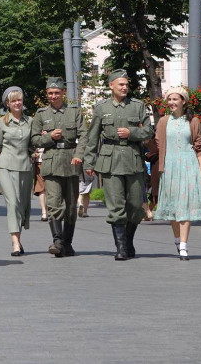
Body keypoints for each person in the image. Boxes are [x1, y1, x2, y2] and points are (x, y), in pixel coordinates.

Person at [84, 69, 153, 261]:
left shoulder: (138, 106)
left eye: (126, 84)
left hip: (133, 159)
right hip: (110, 160)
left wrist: (131, 132)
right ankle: (121, 247)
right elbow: (92, 138)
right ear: (111, 86)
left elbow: (148, 131)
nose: (124, 87)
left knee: (135, 206)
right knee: (115, 207)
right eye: (121, 84)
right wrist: (88, 162)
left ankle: (129, 242)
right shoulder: (101, 108)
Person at [30, 77, 88, 257]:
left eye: (56, 93)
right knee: (54, 203)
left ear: (63, 92)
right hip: (52, 161)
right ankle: (57, 241)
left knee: (71, 206)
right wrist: (49, 138)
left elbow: (84, 135)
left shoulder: (74, 113)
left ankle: (67, 243)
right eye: (50, 93)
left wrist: (79, 155)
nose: (53, 96)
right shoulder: (41, 114)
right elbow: (33, 140)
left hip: (71, 161)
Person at [153, 87, 201, 261]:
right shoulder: (163, 121)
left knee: (184, 206)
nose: (172, 103)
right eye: (169, 100)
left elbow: (199, 147)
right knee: (173, 208)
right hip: (169, 165)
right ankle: (177, 240)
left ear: (184, 101)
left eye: (175, 99)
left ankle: (184, 245)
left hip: (188, 164)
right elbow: (159, 145)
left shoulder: (193, 121)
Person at [0, 86, 33, 256]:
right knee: (12, 203)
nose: (17, 103)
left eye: (19, 99)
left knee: (21, 204)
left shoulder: (31, 121)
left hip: (25, 167)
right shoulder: (2, 122)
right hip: (5, 166)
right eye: (14, 100)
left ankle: (18, 240)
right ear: (8, 103)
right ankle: (15, 243)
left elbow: (35, 142)